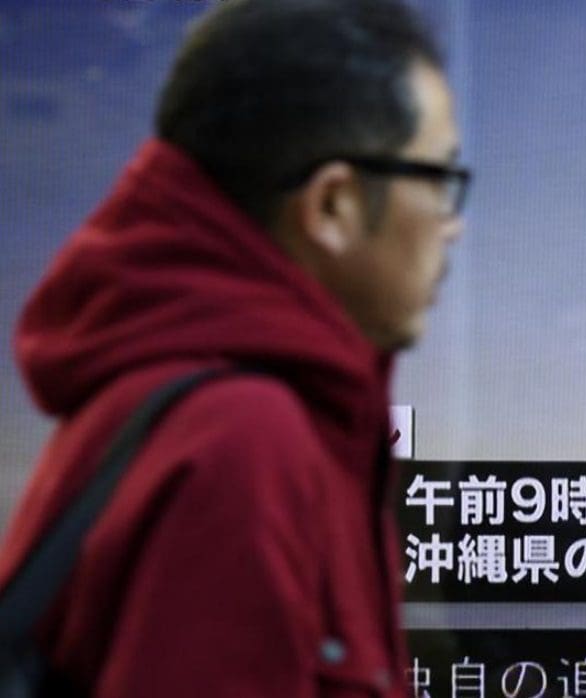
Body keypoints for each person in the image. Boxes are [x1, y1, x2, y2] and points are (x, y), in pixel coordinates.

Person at [0, 0, 467, 695]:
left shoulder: (188, 390)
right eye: (438, 180)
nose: (451, 226)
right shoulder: (243, 441)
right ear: (332, 206)